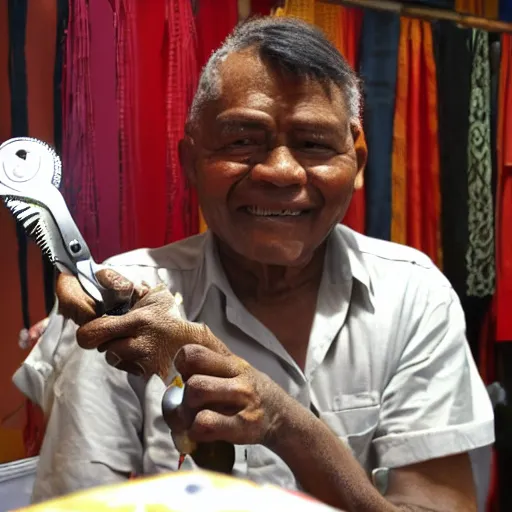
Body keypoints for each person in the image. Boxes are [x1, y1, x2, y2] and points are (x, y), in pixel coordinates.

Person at [15, 16, 493, 511]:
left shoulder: (411, 295)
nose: (281, 172)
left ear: (358, 163)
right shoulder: (119, 307)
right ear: (190, 161)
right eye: (242, 140)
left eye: (313, 144)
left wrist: (288, 425)